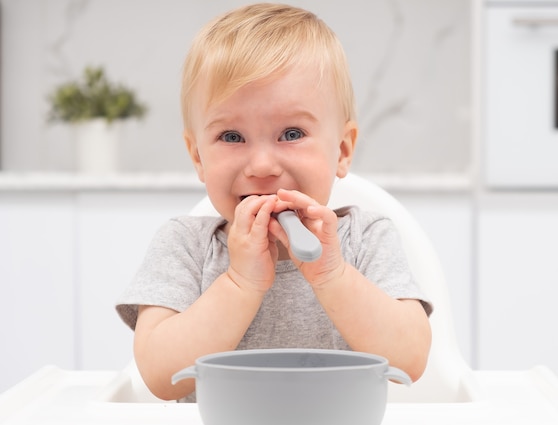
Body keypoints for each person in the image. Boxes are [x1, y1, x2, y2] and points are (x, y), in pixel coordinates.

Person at [116, 2, 432, 402]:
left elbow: (411, 359)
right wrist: (239, 283)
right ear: (198, 157)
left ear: (342, 150)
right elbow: (162, 379)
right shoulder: (185, 246)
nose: (262, 165)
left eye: (291, 133)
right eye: (231, 137)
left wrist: (332, 276)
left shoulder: (366, 239)